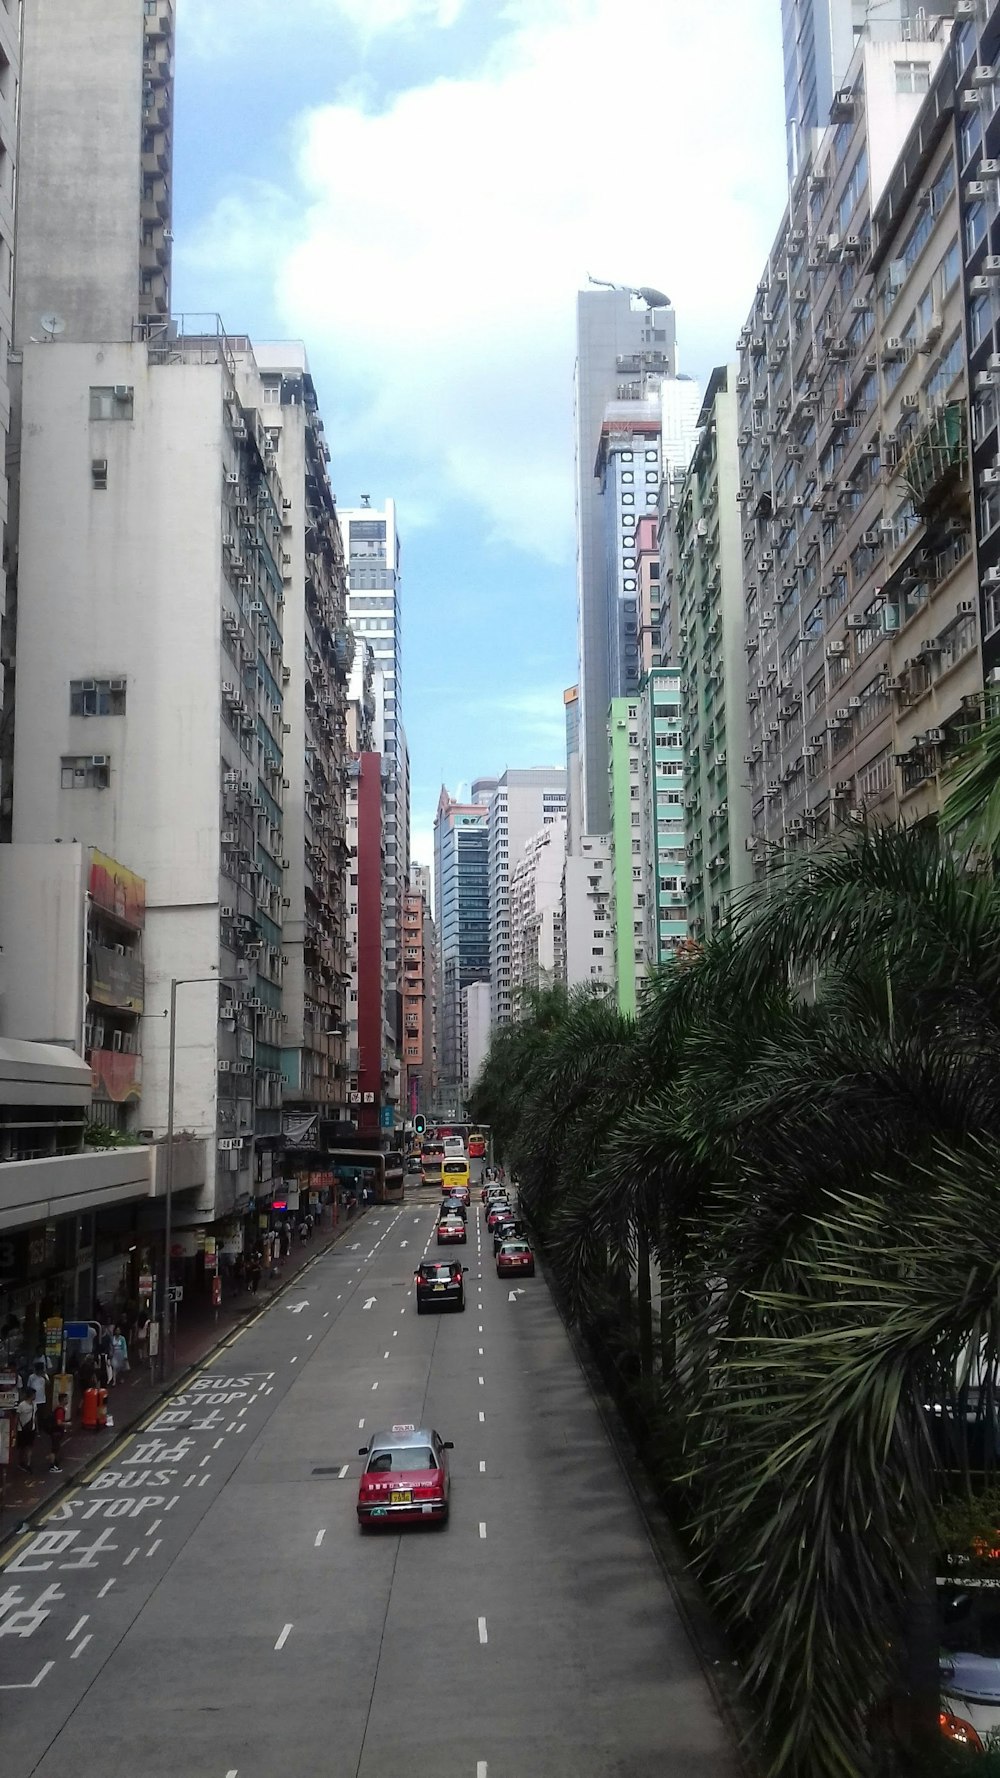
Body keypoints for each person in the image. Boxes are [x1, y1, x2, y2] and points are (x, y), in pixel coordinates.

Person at [15, 1388, 36, 1473]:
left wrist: (36, 1428)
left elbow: (35, 1417)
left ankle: (28, 1463)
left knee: (29, 1446)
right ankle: (21, 1462)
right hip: (22, 1429)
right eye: (34, 1394)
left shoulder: (34, 1405)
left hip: (31, 1429)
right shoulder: (21, 1405)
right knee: (22, 1447)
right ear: (30, 1395)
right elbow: (17, 1417)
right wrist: (15, 1429)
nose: (35, 1396)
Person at [47, 1392, 68, 1472]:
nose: (67, 1400)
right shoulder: (60, 1410)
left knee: (55, 1448)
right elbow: (59, 1422)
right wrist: (67, 1424)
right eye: (66, 1399)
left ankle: (54, 1462)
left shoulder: (59, 1409)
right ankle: (52, 1466)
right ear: (63, 1400)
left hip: (56, 1432)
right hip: (56, 1432)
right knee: (54, 1449)